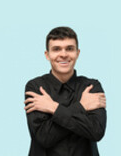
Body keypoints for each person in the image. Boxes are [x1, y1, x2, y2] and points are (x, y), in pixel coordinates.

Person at [24, 26, 106, 156]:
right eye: (56, 49)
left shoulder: (91, 86)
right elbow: (44, 137)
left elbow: (96, 132)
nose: (63, 54)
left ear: (77, 53)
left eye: (69, 49)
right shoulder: (35, 87)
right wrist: (81, 107)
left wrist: (53, 107)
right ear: (47, 55)